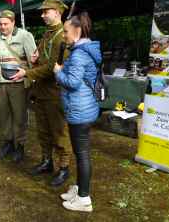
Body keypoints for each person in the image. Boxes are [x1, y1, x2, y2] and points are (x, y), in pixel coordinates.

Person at [11, 0, 72, 186]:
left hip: (55, 93)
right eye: (43, 12)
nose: (42, 15)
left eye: (46, 11)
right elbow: (42, 62)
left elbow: (52, 68)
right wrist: (34, 59)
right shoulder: (48, 34)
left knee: (59, 132)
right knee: (43, 131)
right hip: (41, 92)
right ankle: (47, 161)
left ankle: (64, 167)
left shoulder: (63, 36)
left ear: (57, 12)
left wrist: (27, 72)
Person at [53, 12, 101, 212]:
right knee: (81, 153)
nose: (63, 35)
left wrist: (58, 72)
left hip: (80, 111)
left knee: (82, 155)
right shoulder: (84, 50)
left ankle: (84, 198)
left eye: (65, 31)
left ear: (77, 30)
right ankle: (80, 188)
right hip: (84, 107)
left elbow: (72, 83)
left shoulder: (80, 53)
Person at [0, 10, 36, 163]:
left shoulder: (24, 36)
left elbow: (33, 60)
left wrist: (28, 74)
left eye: (6, 24)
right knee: (3, 114)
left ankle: (19, 145)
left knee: (19, 115)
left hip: (18, 81)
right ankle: (8, 141)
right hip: (0, 81)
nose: (2, 27)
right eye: (0, 24)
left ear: (13, 22)